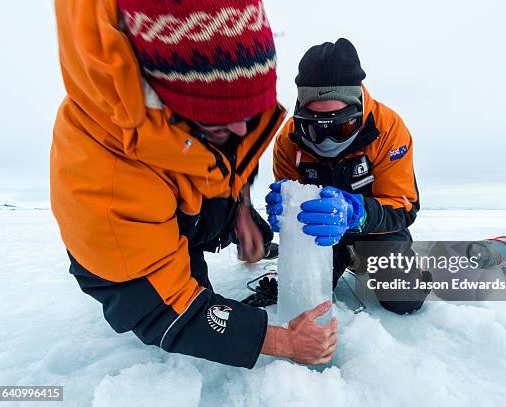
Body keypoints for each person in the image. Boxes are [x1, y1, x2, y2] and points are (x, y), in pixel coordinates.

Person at [51, 0, 337, 368]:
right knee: (195, 316)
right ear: (161, 101)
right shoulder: (104, 178)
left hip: (184, 198)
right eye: (217, 120)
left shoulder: (210, 126)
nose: (239, 130)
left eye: (247, 114)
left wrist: (239, 212)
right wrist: (284, 342)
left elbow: (228, 156)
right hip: (128, 260)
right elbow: (157, 303)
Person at [267, 38, 430, 315]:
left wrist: (357, 213)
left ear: (356, 108)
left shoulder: (388, 128)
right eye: (316, 130)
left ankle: (406, 267)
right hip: (320, 229)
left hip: (376, 227)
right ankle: (344, 255)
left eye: (340, 128)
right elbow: (288, 199)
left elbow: (404, 206)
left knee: (403, 297)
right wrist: (286, 212)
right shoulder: (288, 139)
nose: (328, 140)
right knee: (305, 296)